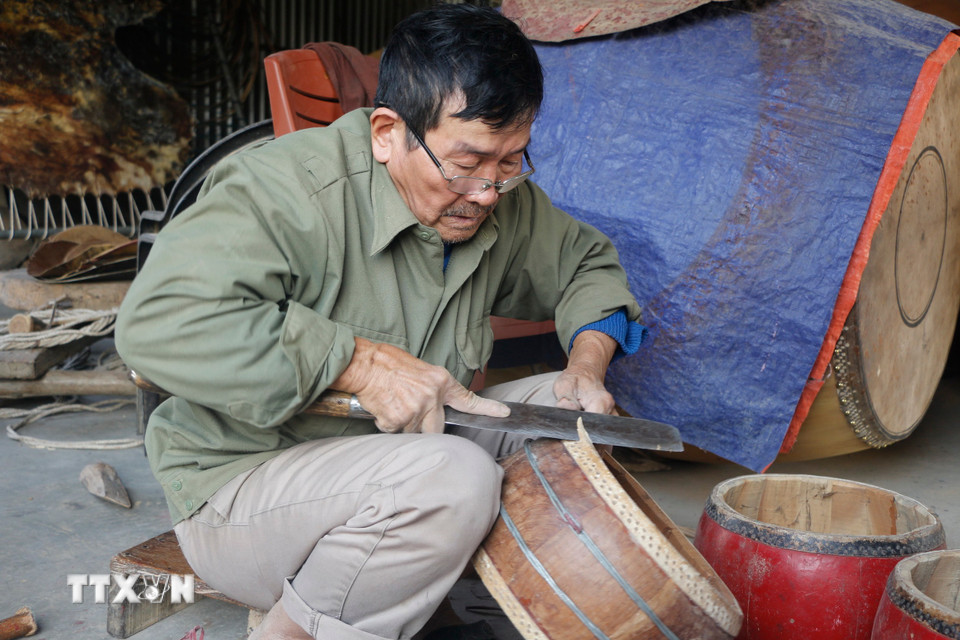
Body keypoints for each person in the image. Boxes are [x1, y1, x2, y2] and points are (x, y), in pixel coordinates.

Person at [115, 4, 646, 639]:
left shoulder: (499, 202)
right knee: (455, 479)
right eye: (467, 162)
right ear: (387, 132)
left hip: (405, 464)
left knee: (572, 425)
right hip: (242, 492)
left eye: (511, 161)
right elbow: (158, 324)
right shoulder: (284, 192)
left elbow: (588, 263)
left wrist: (587, 363)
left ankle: (471, 595)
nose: (486, 191)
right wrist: (361, 363)